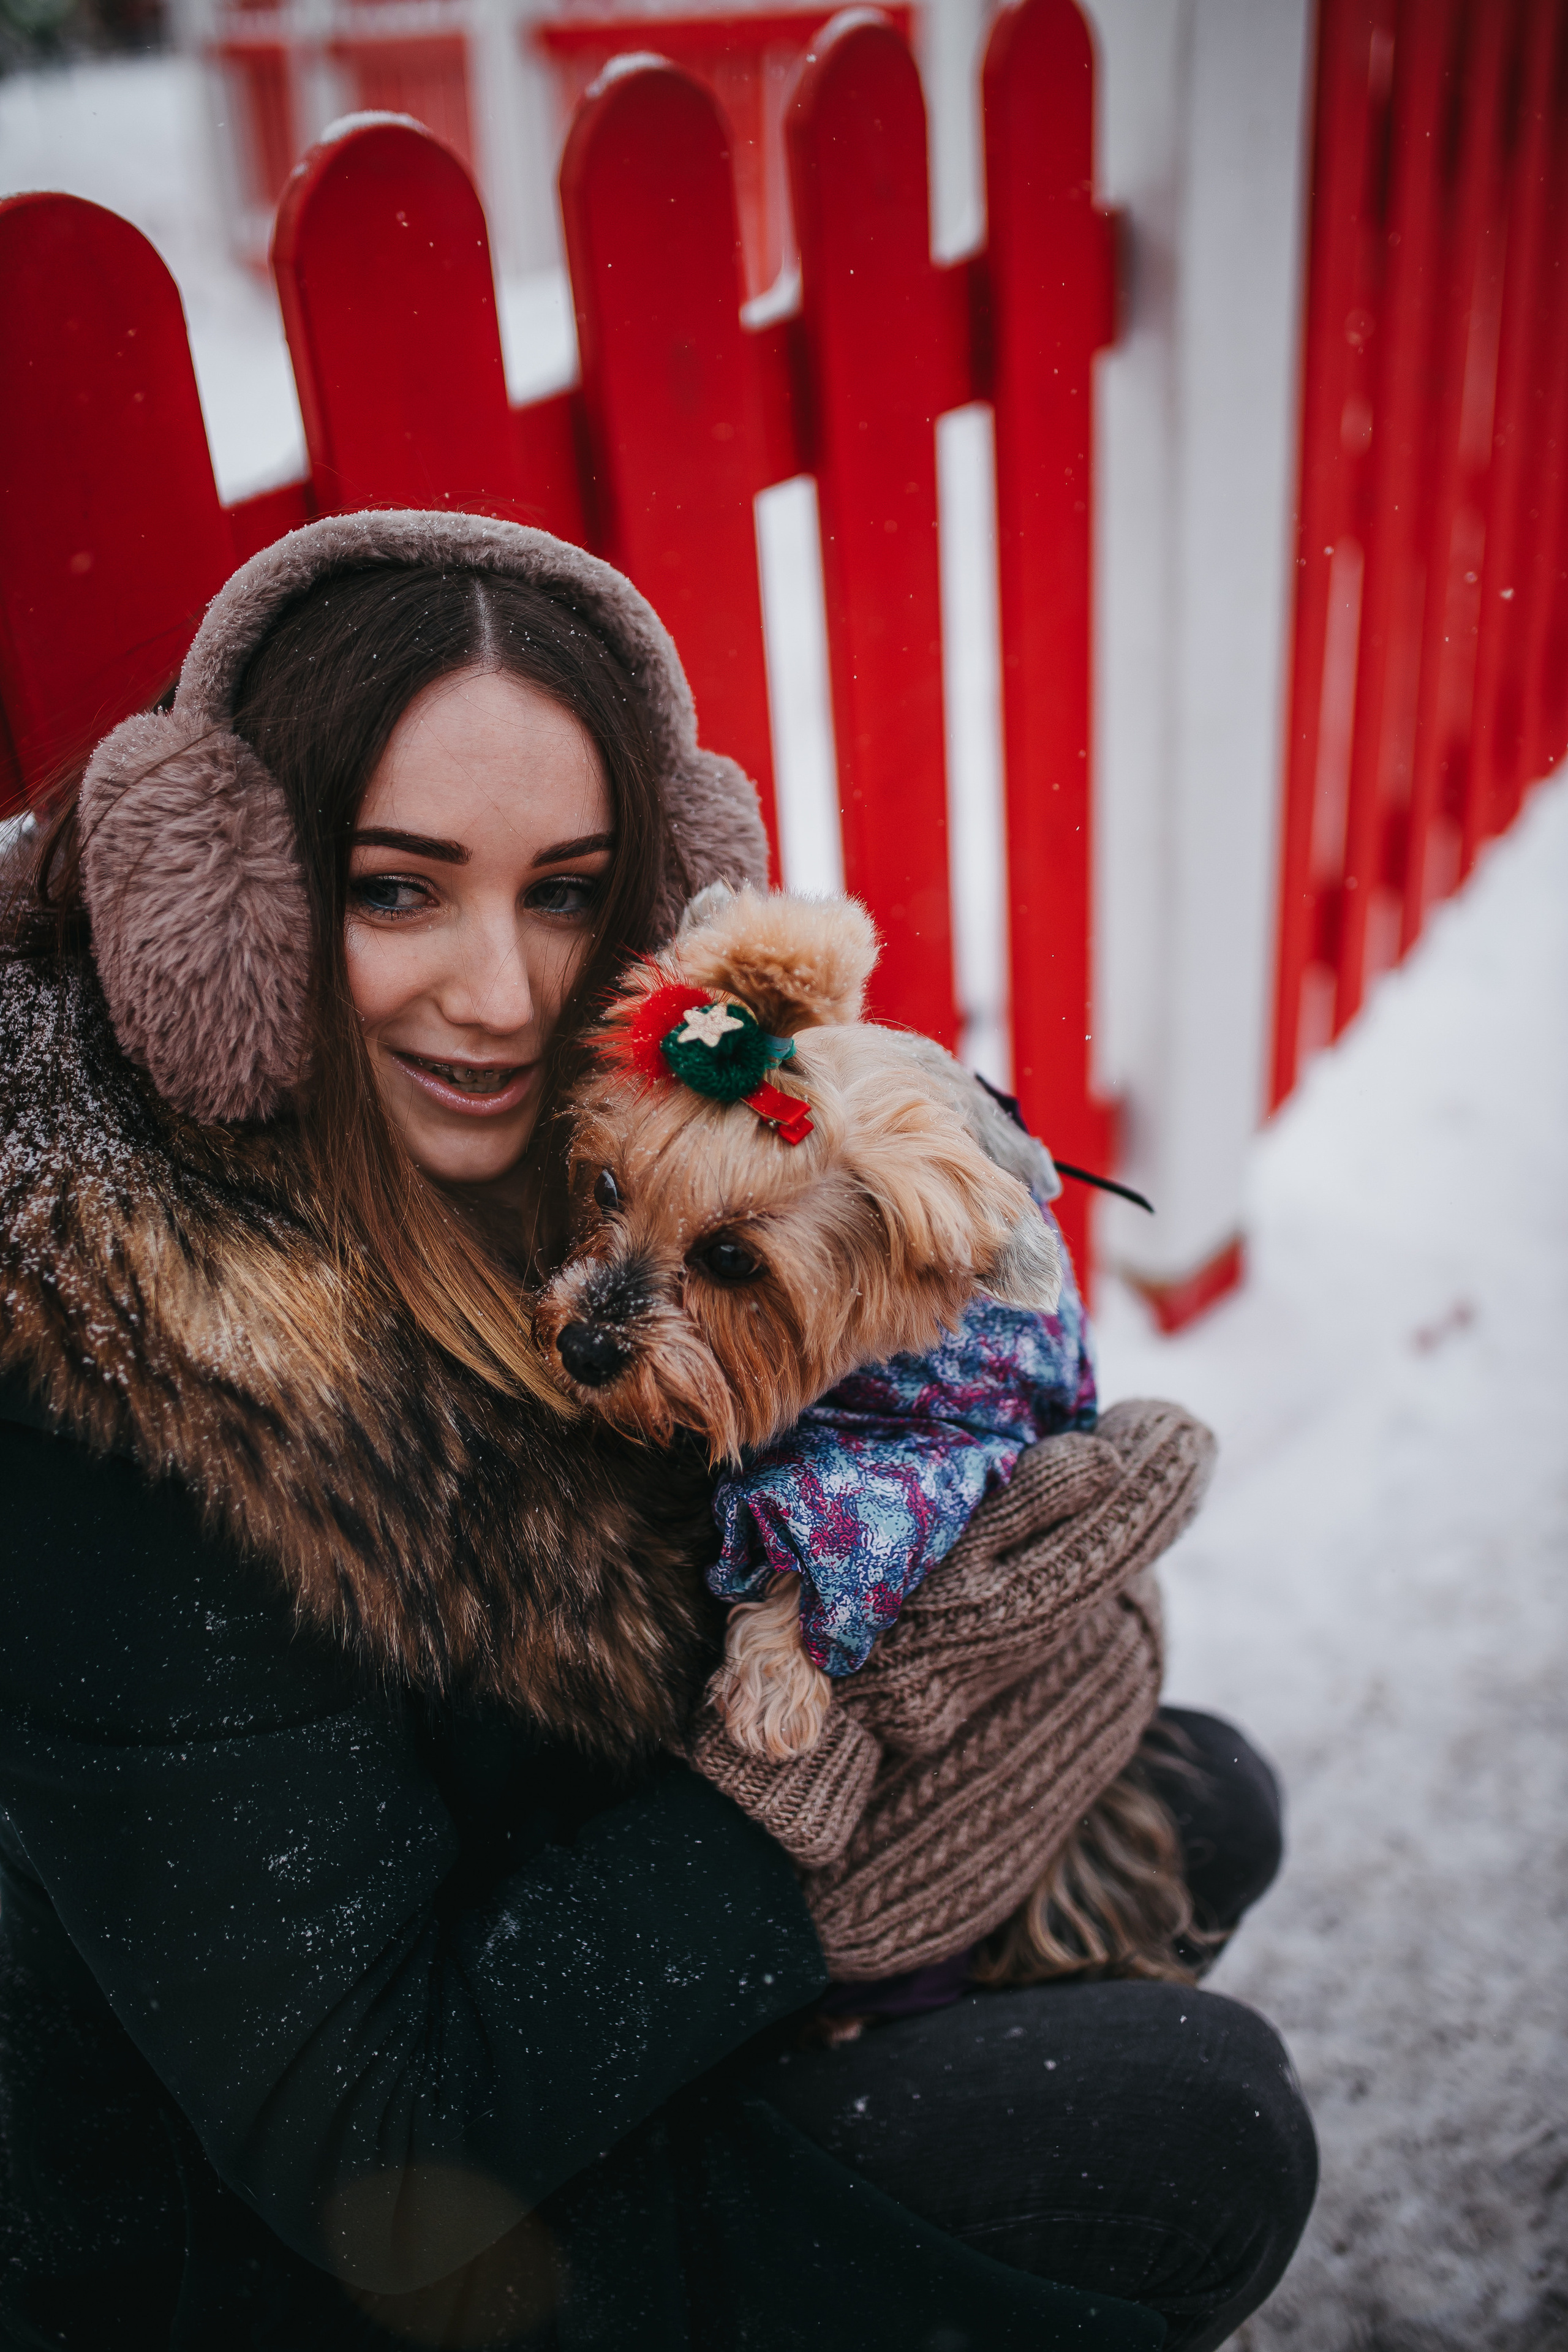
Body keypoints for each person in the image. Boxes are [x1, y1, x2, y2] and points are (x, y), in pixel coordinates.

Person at [0, 510, 1316, 2350]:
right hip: (329, 2246)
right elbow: (375, 2135)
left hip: (577, 1986)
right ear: (235, 912)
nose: (503, 993)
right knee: (1195, 2124)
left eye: (563, 893)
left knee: (1202, 1797)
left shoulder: (562, 1174)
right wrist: (832, 1761)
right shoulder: (122, 1407)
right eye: (397, 889)